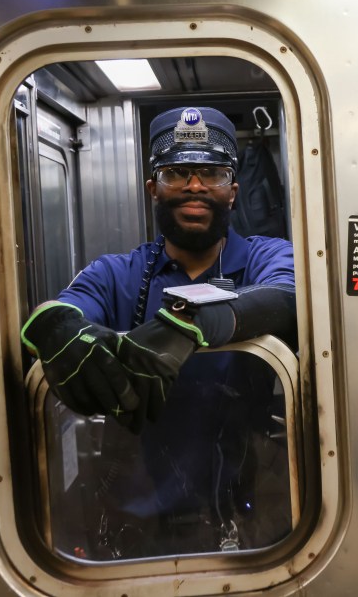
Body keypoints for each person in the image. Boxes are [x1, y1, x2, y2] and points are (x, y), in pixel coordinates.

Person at [20, 105, 296, 556]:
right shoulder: (116, 274)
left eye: (211, 173)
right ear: (153, 188)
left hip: (249, 520)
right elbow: (57, 313)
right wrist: (56, 329)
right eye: (177, 172)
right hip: (135, 523)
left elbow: (286, 296)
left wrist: (191, 324)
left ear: (232, 192)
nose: (194, 186)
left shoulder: (267, 256)